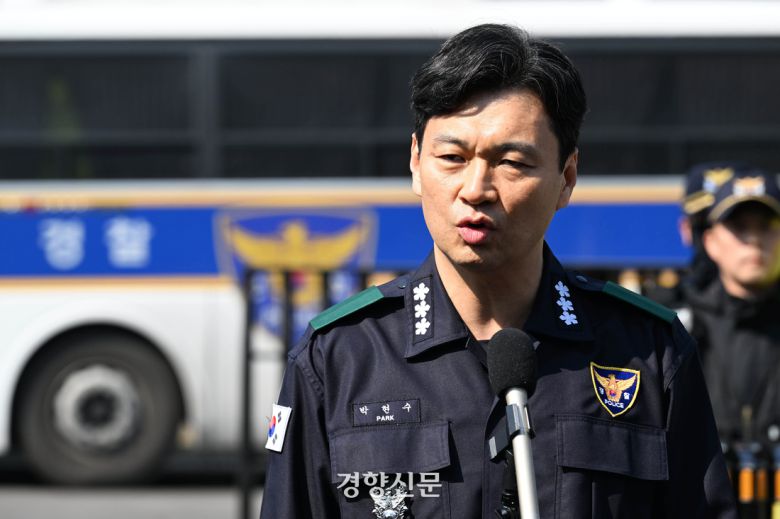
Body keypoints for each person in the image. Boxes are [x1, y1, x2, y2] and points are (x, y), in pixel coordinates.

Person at [259, 24, 735, 518]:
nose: (475, 189)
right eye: (452, 157)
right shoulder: (339, 358)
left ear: (567, 177)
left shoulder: (649, 352)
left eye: (511, 162)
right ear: (416, 163)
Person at [685, 168, 780, 446]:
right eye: (739, 226)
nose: (754, 240)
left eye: (765, 225)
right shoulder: (682, 329)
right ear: (710, 242)